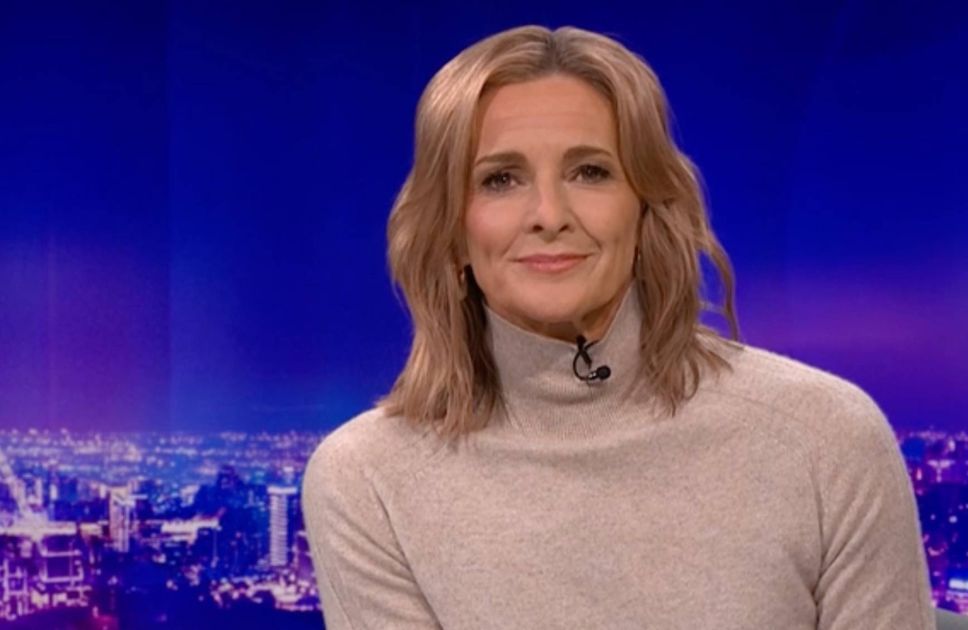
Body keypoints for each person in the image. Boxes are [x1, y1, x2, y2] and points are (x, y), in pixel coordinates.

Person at [302, 24, 935, 630]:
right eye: (500, 179)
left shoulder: (825, 440)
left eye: (590, 172)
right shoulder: (367, 481)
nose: (549, 214)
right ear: (452, 231)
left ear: (645, 207)